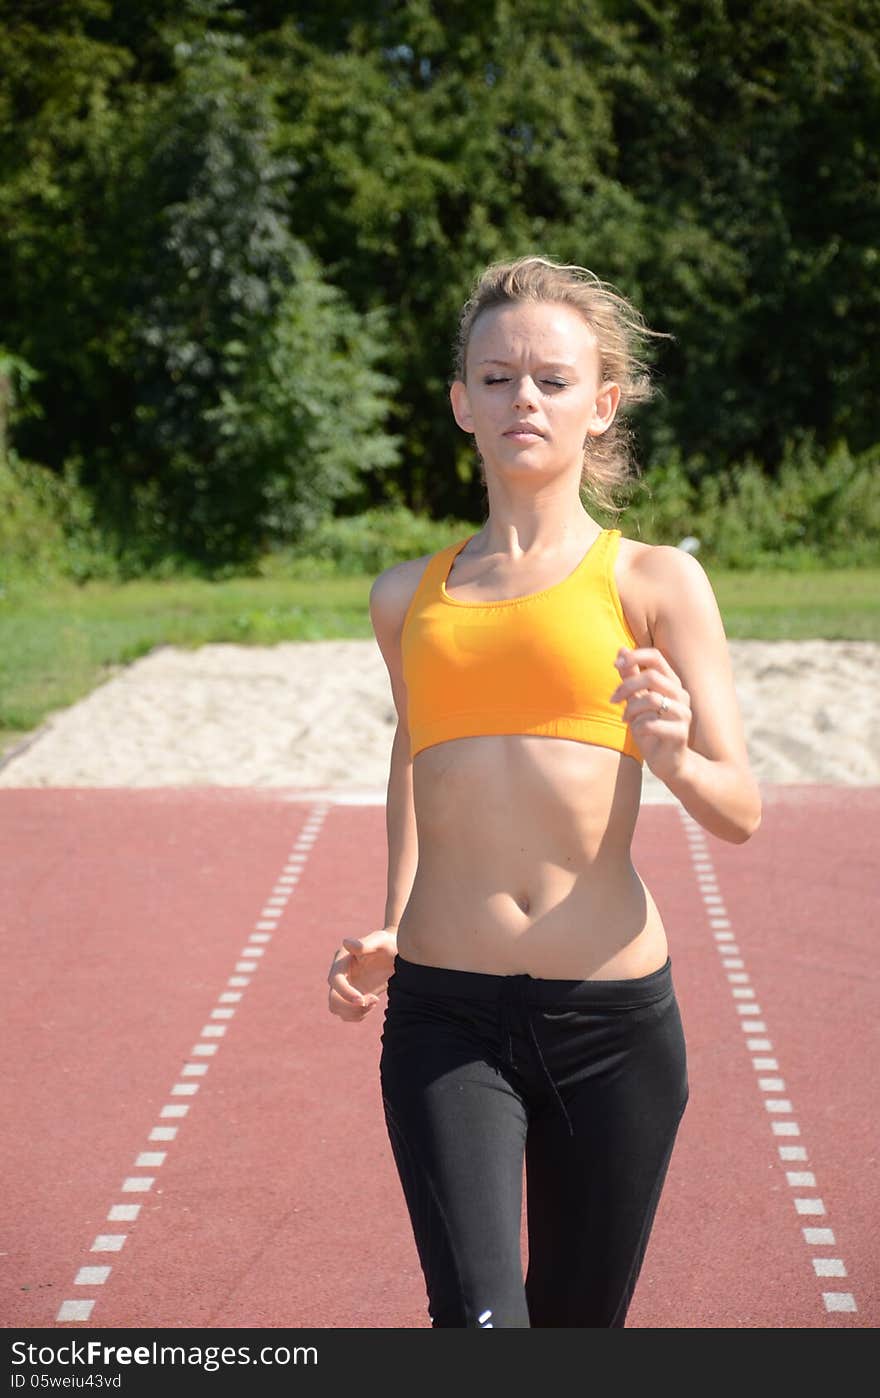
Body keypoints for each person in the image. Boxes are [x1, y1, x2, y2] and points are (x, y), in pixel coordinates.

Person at [326, 254, 761, 1329]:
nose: (525, 396)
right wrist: (390, 918)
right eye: (498, 376)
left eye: (554, 380)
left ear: (600, 402)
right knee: (481, 1324)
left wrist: (670, 755)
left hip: (612, 1023)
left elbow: (737, 809)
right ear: (460, 403)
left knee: (576, 1331)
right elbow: (411, 758)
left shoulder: (655, 580)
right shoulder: (402, 598)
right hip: (443, 1015)